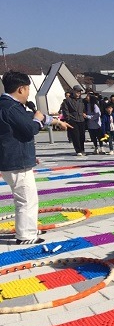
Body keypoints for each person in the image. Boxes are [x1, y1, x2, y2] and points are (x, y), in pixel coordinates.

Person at [0, 71, 72, 244]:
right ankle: (26, 235)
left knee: (24, 198)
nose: (28, 94)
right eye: (27, 90)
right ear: (21, 89)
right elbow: (30, 128)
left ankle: (26, 229)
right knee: (27, 199)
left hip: (12, 158)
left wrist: (55, 121)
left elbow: (28, 120)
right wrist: (38, 120)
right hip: (16, 161)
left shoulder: (7, 106)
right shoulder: (10, 107)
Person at [61, 84, 87, 156]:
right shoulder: (67, 100)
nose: (78, 93)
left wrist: (84, 113)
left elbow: (84, 109)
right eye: (77, 92)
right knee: (75, 136)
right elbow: (65, 111)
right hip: (73, 120)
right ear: (73, 91)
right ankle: (78, 150)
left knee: (82, 136)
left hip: (81, 119)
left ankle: (82, 149)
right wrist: (68, 119)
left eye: (79, 92)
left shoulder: (81, 101)